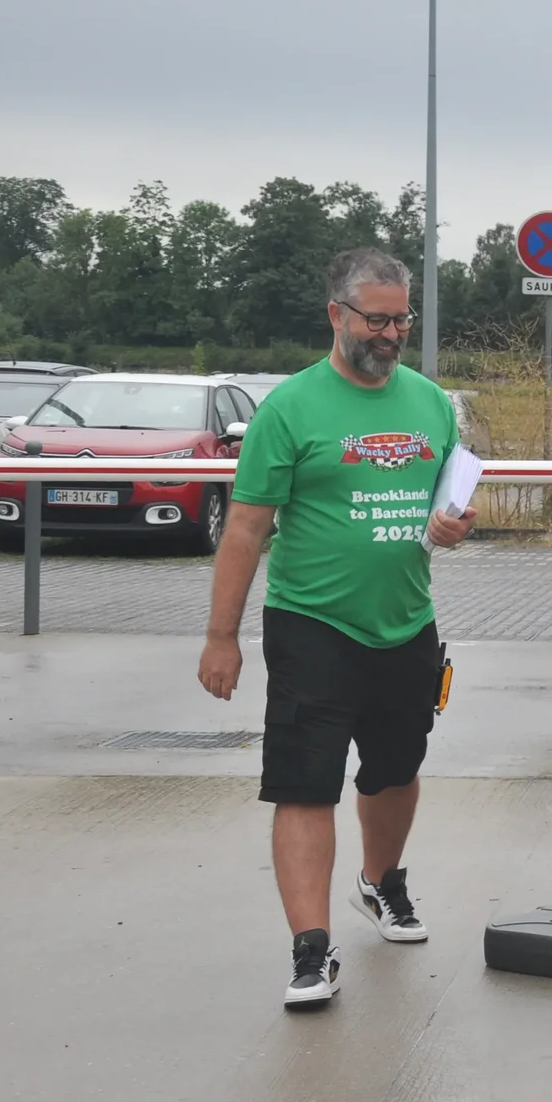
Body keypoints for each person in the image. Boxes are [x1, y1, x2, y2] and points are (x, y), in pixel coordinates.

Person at [198, 249, 475, 1009]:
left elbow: (446, 504)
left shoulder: (429, 404)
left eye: (401, 320)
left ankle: (381, 883)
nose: (390, 334)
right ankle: (311, 951)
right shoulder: (289, 409)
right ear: (336, 316)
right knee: (305, 782)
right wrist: (222, 637)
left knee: (396, 768)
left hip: (405, 623)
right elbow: (248, 529)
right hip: (312, 623)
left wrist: (451, 528)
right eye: (377, 320)